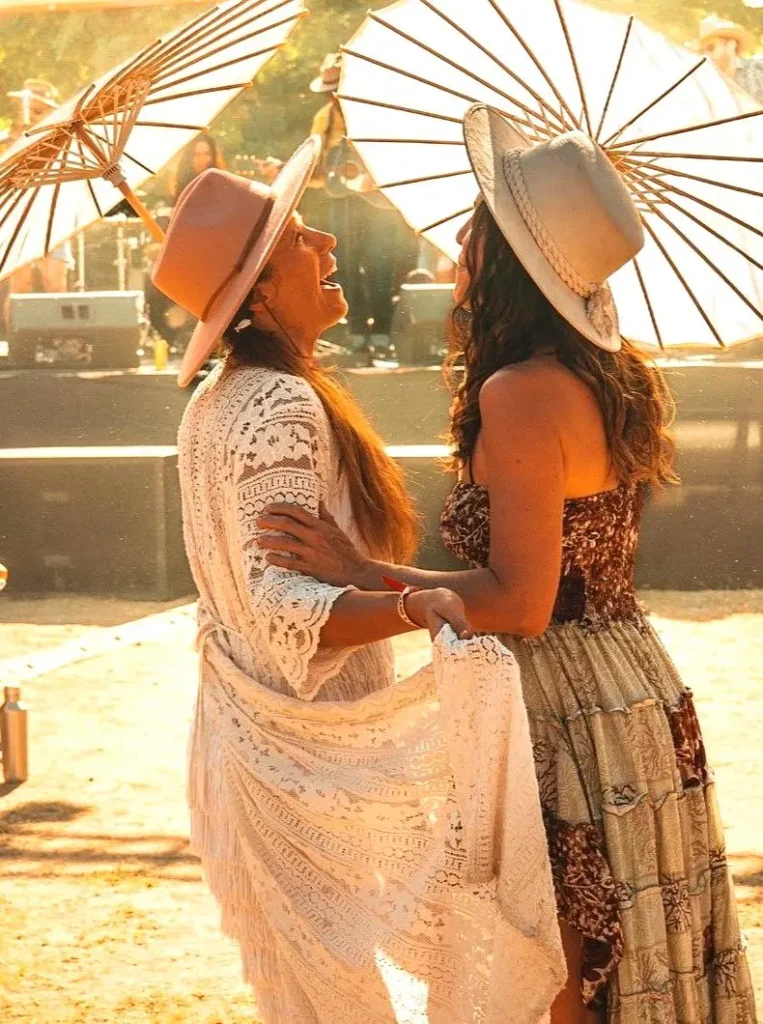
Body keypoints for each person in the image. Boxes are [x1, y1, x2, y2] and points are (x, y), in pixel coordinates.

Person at [258, 107, 757, 1023]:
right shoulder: (613, 374)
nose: (456, 238)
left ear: (511, 262)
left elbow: (520, 603)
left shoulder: (520, 392)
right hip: (631, 684)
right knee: (627, 965)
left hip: (560, 706)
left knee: (558, 980)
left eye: (478, 226)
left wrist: (362, 571)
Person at [150, 136, 566, 1021]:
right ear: (260, 291)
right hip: (305, 759)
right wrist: (417, 606)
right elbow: (281, 608)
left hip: (264, 746)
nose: (329, 248)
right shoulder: (277, 403)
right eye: (303, 238)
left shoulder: (224, 399)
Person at [1, 80, 73, 306]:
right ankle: (17, 340)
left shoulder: (61, 136)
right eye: (29, 109)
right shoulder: (7, 138)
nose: (32, 115)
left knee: (55, 282)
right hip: (17, 216)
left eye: (38, 110)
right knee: (20, 287)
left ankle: (63, 339)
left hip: (52, 214)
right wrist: (20, 131)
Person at [698, 15, 763, 101]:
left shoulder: (757, 69)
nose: (706, 56)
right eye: (702, 51)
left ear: (731, 45)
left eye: (711, 48)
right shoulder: (707, 82)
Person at [171, 132, 224, 201]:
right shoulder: (184, 190)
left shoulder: (221, 185)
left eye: (207, 154)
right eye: (197, 154)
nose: (202, 159)